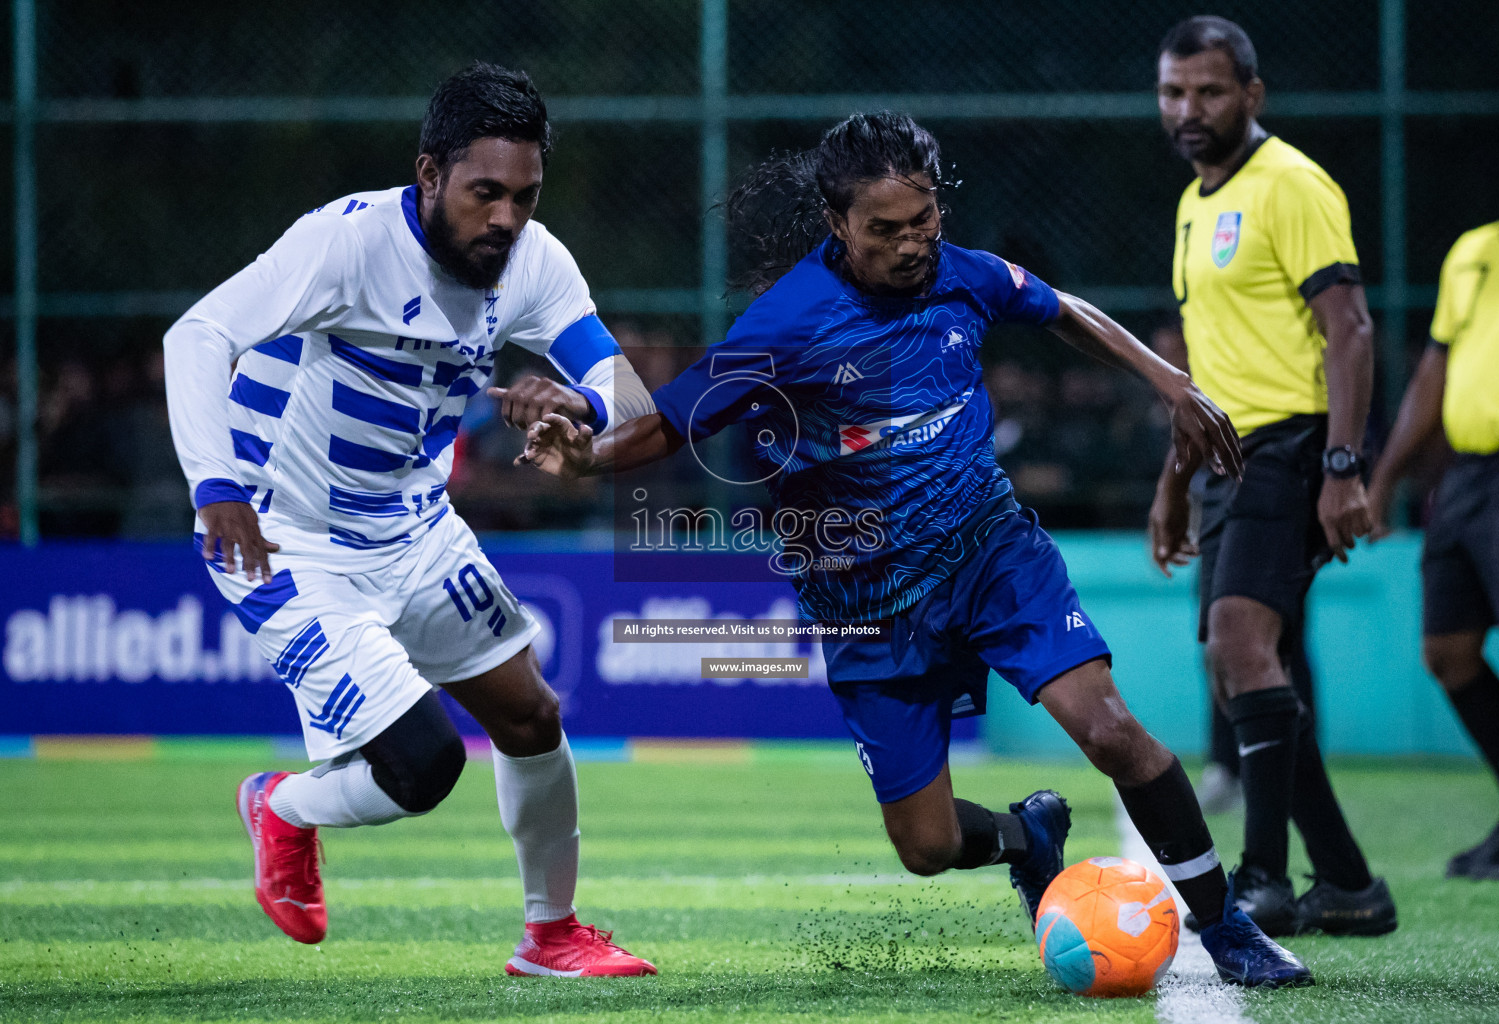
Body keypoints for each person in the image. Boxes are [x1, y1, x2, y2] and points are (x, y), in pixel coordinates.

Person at [516, 111, 1312, 988]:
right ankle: (1026, 837)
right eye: (884, 230)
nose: (910, 245)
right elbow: (669, 422)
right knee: (925, 847)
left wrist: (1172, 385)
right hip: (866, 605)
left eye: (923, 220)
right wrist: (587, 456)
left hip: (990, 553)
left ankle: (1228, 926)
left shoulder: (964, 275)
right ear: (837, 226)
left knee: (1112, 730)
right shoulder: (786, 325)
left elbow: (1062, 309)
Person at [163, 62, 658, 976]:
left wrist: (576, 414)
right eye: (484, 193)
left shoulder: (534, 262)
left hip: (413, 527)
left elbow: (625, 396)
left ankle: (552, 936)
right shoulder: (345, 245)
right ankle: (283, 806)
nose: (505, 218)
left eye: (523, 195)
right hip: (284, 540)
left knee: (531, 717)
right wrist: (214, 486)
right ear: (428, 175)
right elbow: (197, 335)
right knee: (424, 768)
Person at [1146, 16, 1396, 937]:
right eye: (1174, 92)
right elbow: (1207, 372)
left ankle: (1263, 880)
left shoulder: (1290, 183)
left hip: (1291, 446)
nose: (1189, 110)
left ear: (1252, 95)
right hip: (1226, 458)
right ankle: (1350, 883)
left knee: (1241, 650)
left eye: (1209, 91)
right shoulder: (1193, 204)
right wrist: (1174, 483)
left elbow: (1352, 328)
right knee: (1242, 671)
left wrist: (1344, 465)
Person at [1365, 137, 1499, 880]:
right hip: (1466, 477)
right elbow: (1436, 369)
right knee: (1448, 650)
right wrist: (1386, 475)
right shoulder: (1473, 253)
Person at [1148, 317, 1319, 816]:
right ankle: (1237, 764)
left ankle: (1281, 766)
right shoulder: (1185, 395)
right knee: (1228, 650)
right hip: (1221, 518)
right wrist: (1174, 500)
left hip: (1262, 499)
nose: (1166, 363)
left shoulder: (1229, 380)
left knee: (1258, 647)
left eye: (1171, 350)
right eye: (1159, 352)